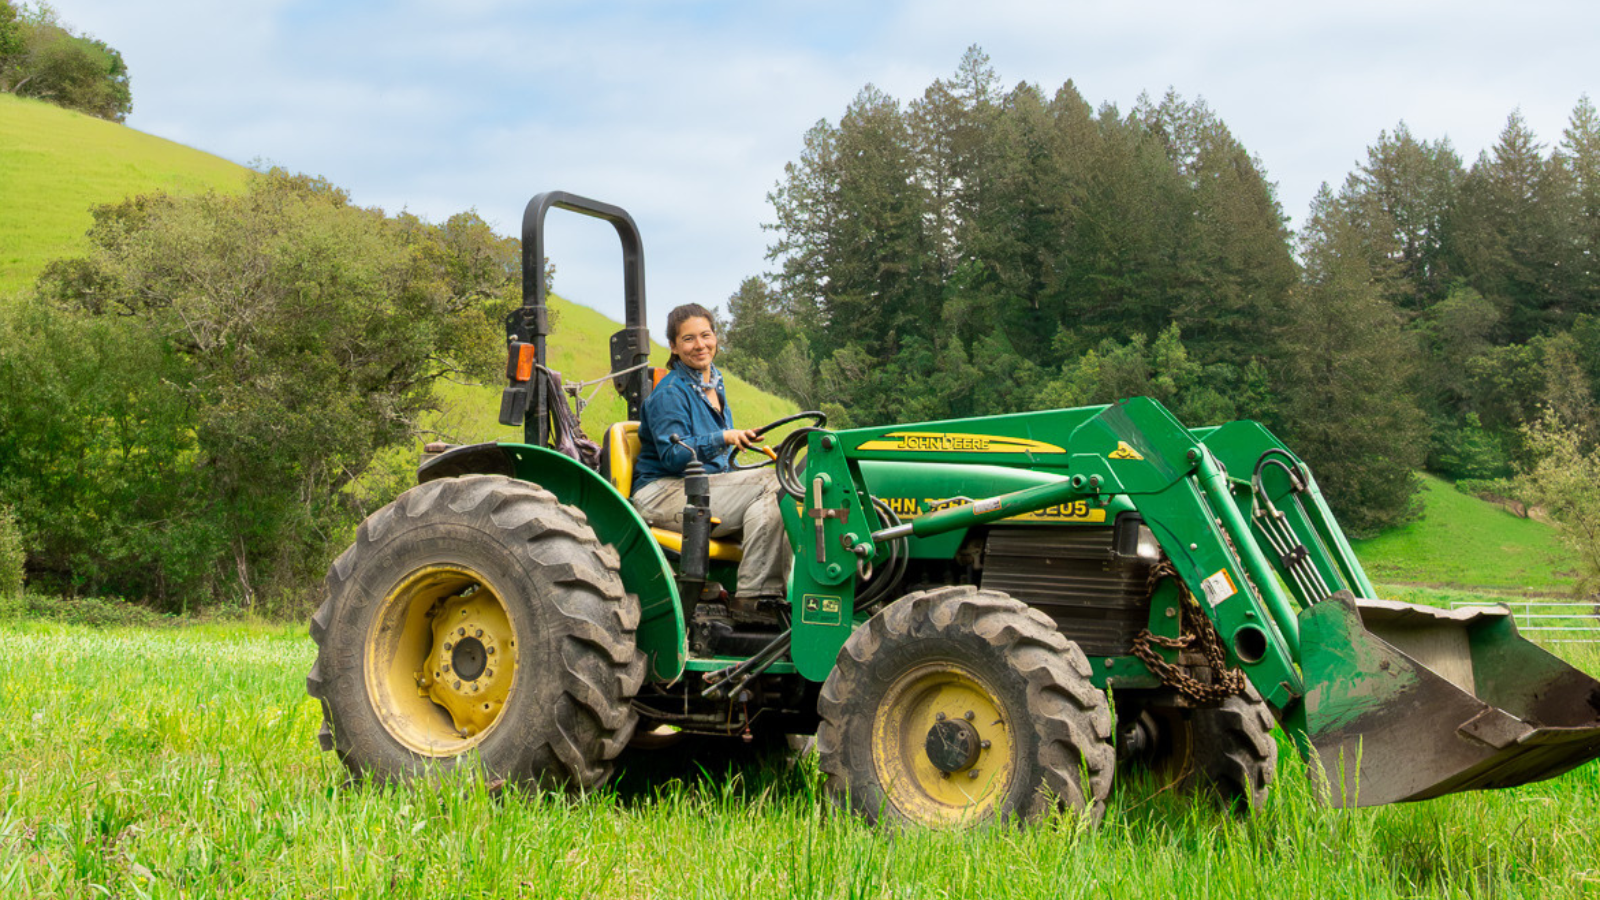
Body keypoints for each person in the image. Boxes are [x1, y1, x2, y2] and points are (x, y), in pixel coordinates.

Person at [631, 303, 790, 603]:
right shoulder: (670, 393)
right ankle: (755, 596)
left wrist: (739, 444)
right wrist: (723, 437)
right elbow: (674, 456)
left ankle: (779, 597)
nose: (700, 345)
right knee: (771, 483)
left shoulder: (714, 386)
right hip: (662, 492)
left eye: (705, 335)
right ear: (674, 346)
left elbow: (719, 464)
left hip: (700, 487)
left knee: (790, 489)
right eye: (688, 338)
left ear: (715, 338)